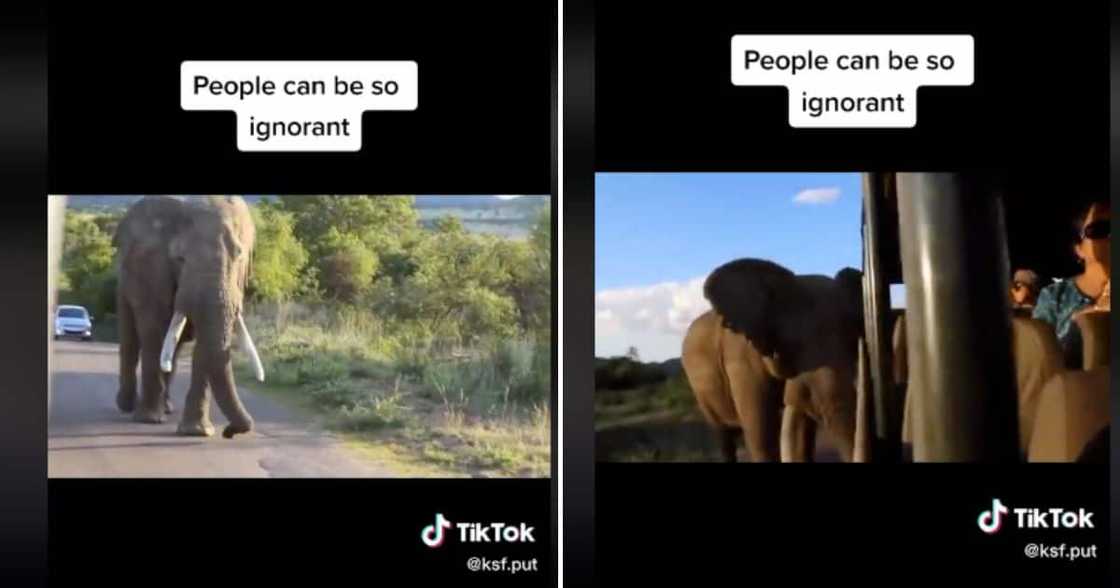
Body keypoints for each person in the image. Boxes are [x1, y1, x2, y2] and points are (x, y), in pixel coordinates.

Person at [1032, 201, 1110, 367]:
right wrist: (1093, 314)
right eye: (1101, 229)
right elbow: (1042, 364)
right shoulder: (1054, 296)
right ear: (1079, 249)